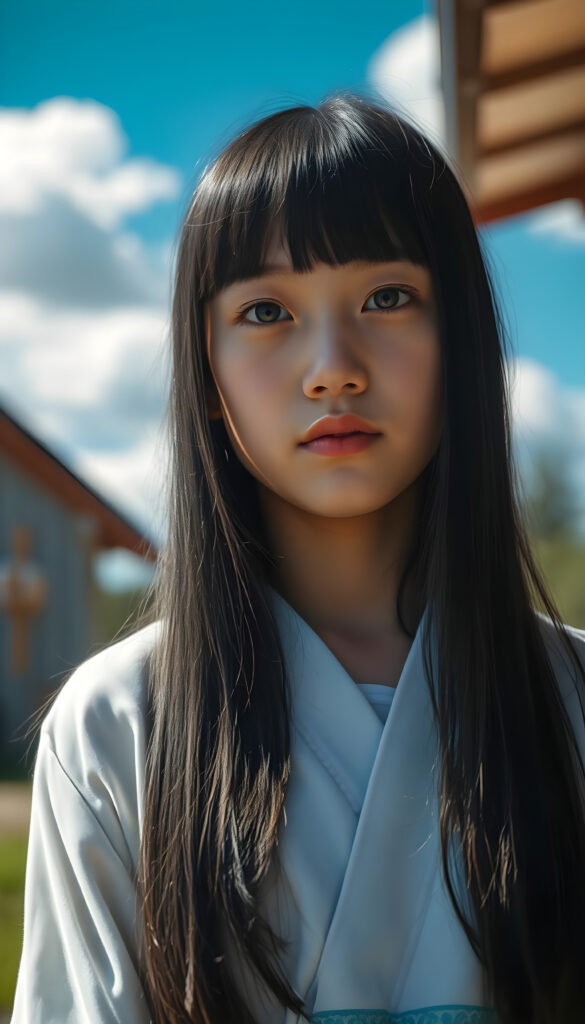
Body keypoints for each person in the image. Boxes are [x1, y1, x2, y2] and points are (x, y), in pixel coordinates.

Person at [10, 92, 585, 1024]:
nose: (332, 366)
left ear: (464, 345)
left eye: (388, 297)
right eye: (266, 309)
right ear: (204, 372)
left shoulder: (571, 699)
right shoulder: (119, 727)